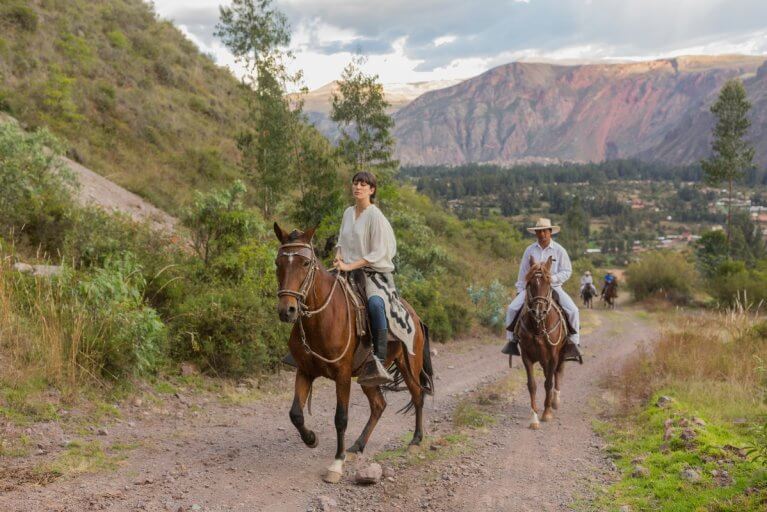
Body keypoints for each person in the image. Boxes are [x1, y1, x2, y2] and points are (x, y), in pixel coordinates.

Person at [333, 171, 400, 386]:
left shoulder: (375, 216)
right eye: (355, 183)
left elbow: (377, 252)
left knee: (375, 304)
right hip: (346, 269)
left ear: (371, 190)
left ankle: (379, 362)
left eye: (363, 184)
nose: (358, 187)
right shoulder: (347, 213)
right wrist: (338, 257)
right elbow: (341, 242)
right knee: (315, 289)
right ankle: (305, 352)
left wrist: (349, 265)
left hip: (373, 273)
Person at [501, 218, 583, 363]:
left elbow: (567, 271)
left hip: (553, 287)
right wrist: (520, 291)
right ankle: (512, 341)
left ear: (550, 232)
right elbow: (523, 272)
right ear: (536, 233)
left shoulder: (559, 250)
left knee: (573, 310)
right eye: (539, 231)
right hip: (532, 288)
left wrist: (553, 279)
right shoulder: (529, 250)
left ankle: (573, 343)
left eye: (545, 231)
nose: (542, 234)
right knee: (512, 308)